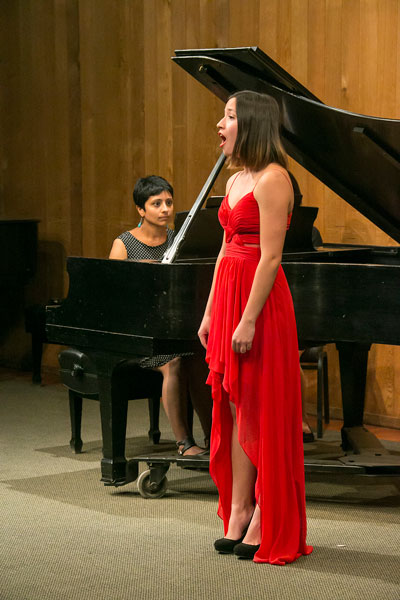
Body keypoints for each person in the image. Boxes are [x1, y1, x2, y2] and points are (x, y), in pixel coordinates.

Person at [198, 91, 312, 563]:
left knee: (262, 409)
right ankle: (241, 508)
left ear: (252, 123)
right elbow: (226, 247)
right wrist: (209, 313)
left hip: (259, 305)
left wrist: (246, 319)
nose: (219, 124)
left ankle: (268, 513)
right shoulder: (239, 178)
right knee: (237, 405)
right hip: (229, 296)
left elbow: (270, 257)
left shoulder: (273, 179)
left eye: (228, 116)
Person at [110, 175, 212, 456]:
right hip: (140, 334)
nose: (165, 209)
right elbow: (112, 296)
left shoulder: (179, 242)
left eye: (169, 202)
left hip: (175, 328)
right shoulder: (124, 244)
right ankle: (184, 443)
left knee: (201, 360)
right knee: (174, 362)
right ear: (141, 210)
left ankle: (214, 437)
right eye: (156, 204)